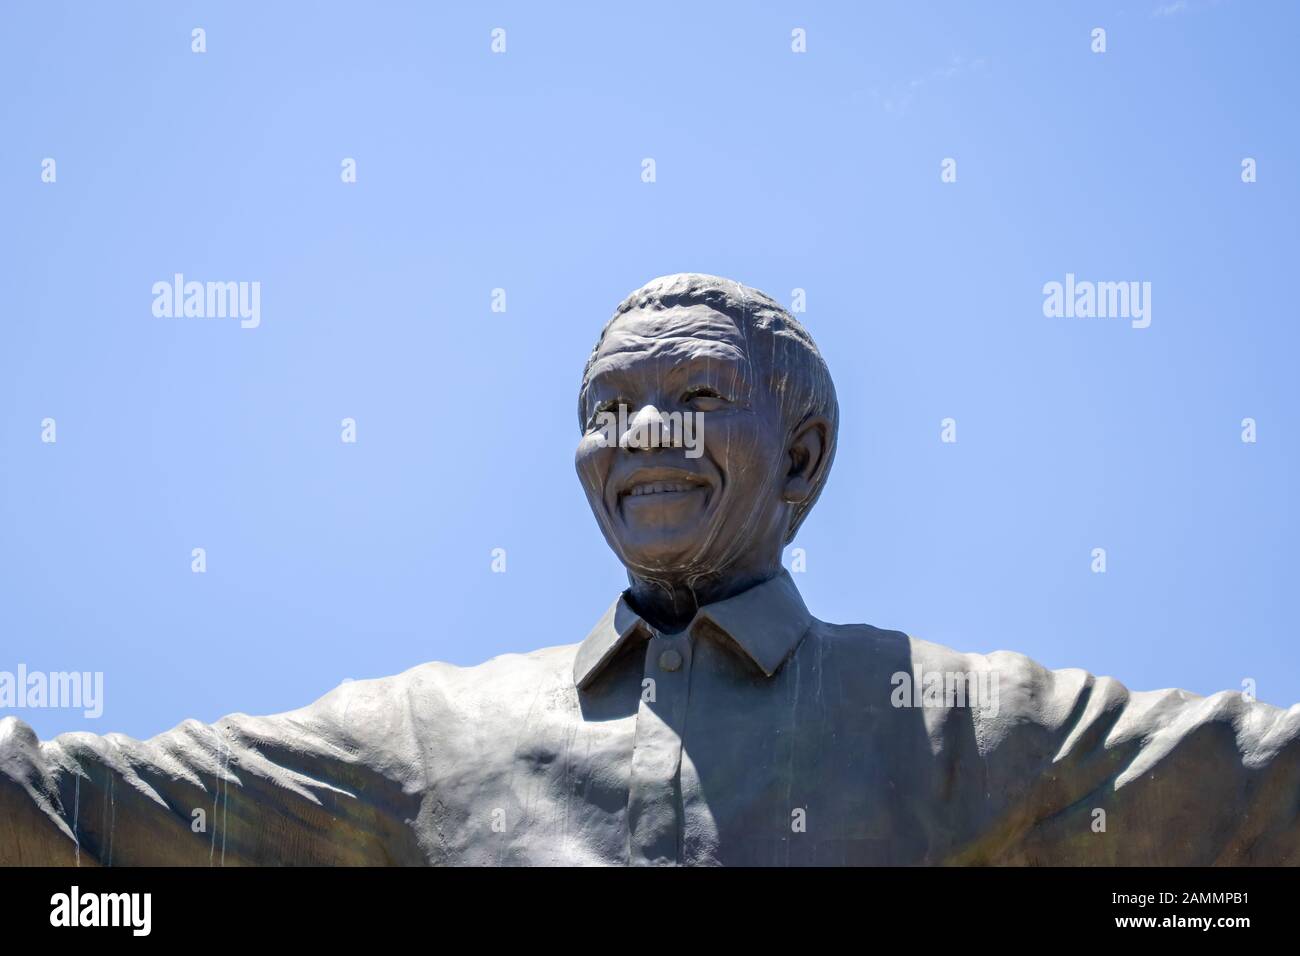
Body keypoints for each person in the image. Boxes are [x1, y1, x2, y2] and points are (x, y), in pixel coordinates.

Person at [2, 273, 1296, 866]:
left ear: (801, 455)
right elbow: (93, 818)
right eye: (608, 408)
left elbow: (1250, 784)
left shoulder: (942, 720)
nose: (641, 436)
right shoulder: (436, 736)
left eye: (692, 393)